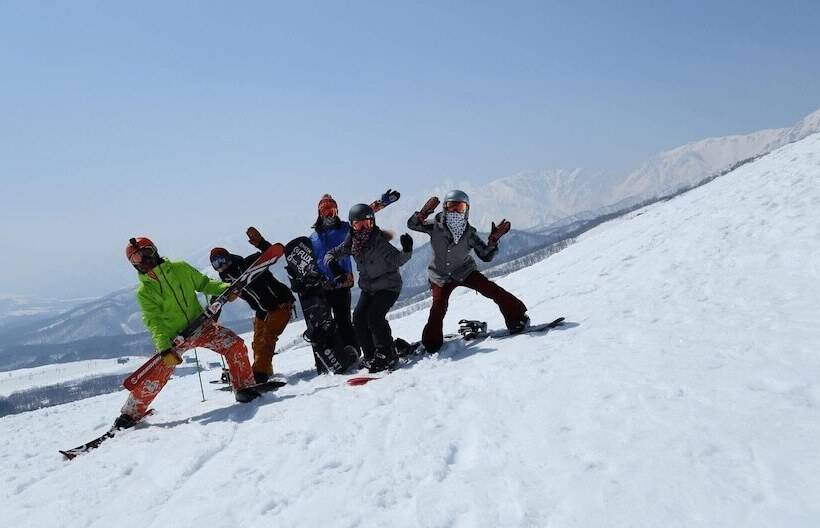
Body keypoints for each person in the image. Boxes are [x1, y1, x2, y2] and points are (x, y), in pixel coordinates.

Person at [115, 237, 259, 429]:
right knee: (156, 374)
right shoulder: (145, 291)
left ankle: (244, 387)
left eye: (144, 253)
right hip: (175, 338)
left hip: (202, 327)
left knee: (234, 345)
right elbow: (153, 321)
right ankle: (130, 414)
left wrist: (226, 289)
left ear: (154, 251)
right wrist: (164, 347)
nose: (142, 261)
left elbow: (205, 284)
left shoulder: (180, 268)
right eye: (135, 259)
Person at [407, 190, 529, 353]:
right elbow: (412, 224)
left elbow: (485, 255)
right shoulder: (434, 226)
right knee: (438, 308)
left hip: (465, 271)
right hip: (440, 276)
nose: (456, 211)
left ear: (467, 210)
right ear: (444, 208)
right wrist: (423, 213)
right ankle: (431, 342)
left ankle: (517, 319)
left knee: (492, 290)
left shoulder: (469, 233)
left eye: (461, 208)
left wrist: (493, 241)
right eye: (452, 207)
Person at [325, 203, 413, 372]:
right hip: (369, 288)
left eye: (368, 223)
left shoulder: (379, 241)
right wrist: (332, 264)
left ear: (373, 223)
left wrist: (407, 250)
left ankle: (387, 353)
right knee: (358, 318)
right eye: (359, 224)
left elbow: (398, 260)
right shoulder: (351, 243)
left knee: (374, 316)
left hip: (389, 286)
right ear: (352, 225)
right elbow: (330, 254)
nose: (364, 228)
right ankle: (371, 355)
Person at [210, 227, 295, 384]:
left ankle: (260, 374)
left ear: (228, 258)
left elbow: (270, 253)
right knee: (257, 343)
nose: (220, 266)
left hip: (280, 303)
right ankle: (265, 370)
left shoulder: (248, 263)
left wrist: (261, 242)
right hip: (262, 311)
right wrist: (212, 316)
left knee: (267, 339)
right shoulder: (227, 281)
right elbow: (218, 296)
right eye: (216, 264)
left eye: (222, 260)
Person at [308, 194, 358, 351]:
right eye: (325, 212)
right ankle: (334, 353)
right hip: (323, 286)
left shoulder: (345, 229)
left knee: (344, 320)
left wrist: (381, 203)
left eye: (332, 211)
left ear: (337, 211)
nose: (329, 215)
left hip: (342, 282)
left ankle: (353, 350)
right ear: (319, 213)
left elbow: (361, 220)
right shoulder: (313, 238)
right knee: (327, 324)